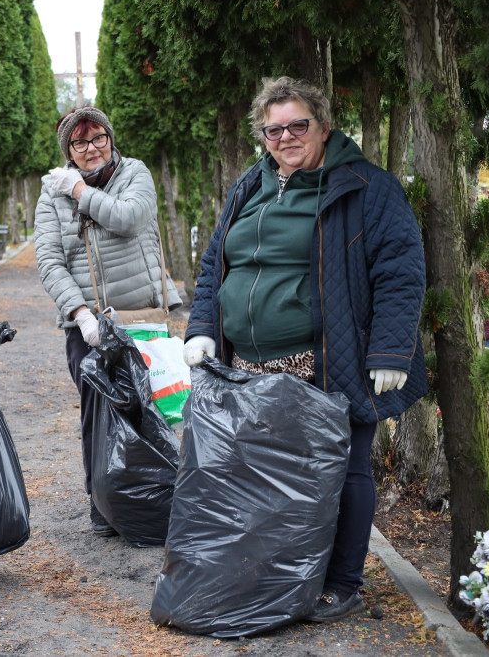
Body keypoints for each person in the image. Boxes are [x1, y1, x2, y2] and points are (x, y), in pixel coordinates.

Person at [182, 77, 427, 623]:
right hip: (248, 364)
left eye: (299, 125)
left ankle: (342, 582)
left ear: (323, 125)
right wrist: (202, 325)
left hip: (330, 357)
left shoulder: (367, 186)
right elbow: (215, 263)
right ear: (262, 136)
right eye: (274, 129)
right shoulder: (250, 184)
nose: (286, 136)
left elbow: (401, 272)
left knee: (345, 468)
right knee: (269, 474)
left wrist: (391, 351)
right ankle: (281, 573)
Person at [34, 106, 183, 537]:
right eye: (80, 143)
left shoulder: (134, 173)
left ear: (110, 139)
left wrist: (79, 191)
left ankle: (158, 497)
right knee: (98, 415)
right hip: (90, 325)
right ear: (69, 149)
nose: (91, 148)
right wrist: (80, 314)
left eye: (98, 137)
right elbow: (49, 260)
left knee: (155, 406)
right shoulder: (50, 194)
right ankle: (104, 502)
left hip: (144, 316)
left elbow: (130, 219)